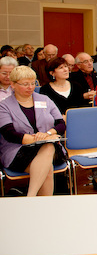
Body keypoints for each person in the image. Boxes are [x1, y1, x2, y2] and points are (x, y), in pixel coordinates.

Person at [0, 66, 67, 196]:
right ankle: (39, 205)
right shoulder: (4, 106)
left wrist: (47, 135)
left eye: (32, 83)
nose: (30, 87)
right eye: (25, 84)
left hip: (50, 148)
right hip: (18, 150)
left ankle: (30, 197)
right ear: (13, 84)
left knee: (48, 147)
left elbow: (61, 124)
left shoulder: (44, 99)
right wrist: (39, 139)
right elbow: (9, 134)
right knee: (47, 168)